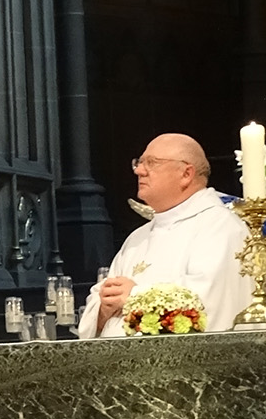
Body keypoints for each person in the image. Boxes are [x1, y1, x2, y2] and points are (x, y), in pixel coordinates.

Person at [77, 134, 249, 337]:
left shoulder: (220, 227)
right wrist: (103, 311)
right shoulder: (137, 238)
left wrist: (134, 296)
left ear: (186, 174)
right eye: (139, 162)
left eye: (151, 163)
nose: (139, 171)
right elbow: (102, 297)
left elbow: (209, 300)